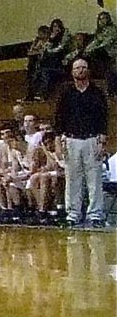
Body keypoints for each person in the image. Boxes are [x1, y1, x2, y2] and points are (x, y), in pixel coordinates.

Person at [54, 57, 109, 227]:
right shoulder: (66, 94)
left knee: (94, 180)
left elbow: (103, 117)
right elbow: (58, 119)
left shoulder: (97, 92)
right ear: (72, 72)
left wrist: (102, 139)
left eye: (84, 67)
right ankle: (73, 214)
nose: (81, 70)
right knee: (73, 180)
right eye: (77, 68)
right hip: (71, 140)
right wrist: (58, 141)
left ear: (88, 71)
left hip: (92, 139)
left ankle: (95, 215)